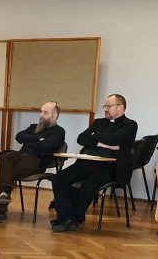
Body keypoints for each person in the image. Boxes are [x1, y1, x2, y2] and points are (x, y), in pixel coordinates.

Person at [49, 93, 138, 232]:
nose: (105, 109)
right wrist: (101, 143)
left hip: (110, 167)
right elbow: (81, 138)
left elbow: (112, 139)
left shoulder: (130, 125)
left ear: (120, 107)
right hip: (86, 163)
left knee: (88, 185)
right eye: (104, 106)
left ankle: (73, 218)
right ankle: (68, 218)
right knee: (58, 179)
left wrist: (95, 137)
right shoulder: (99, 122)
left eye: (109, 106)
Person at [0, 101, 66, 224]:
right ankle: (3, 198)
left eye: (45, 112)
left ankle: (1, 210)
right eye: (41, 111)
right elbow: (19, 136)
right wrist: (38, 138)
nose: (41, 115)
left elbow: (46, 146)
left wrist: (29, 141)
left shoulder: (59, 132)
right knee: (5, 157)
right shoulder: (34, 127)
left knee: (6, 169)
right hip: (21, 156)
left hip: (36, 162)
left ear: (55, 115)